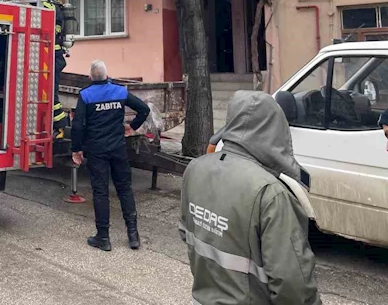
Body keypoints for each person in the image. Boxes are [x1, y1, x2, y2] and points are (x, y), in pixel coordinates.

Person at [180, 91, 321, 305]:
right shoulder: (271, 192)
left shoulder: (195, 168)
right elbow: (292, 285)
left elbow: (186, 231)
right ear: (275, 130)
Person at [71, 60, 150, 251]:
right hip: (118, 148)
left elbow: (78, 125)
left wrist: (76, 149)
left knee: (101, 192)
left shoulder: (86, 95)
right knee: (124, 189)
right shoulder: (120, 91)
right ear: (107, 76)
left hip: (97, 151)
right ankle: (133, 236)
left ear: (90, 78)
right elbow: (144, 109)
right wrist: (132, 126)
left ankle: (103, 237)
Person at [17, 0, 69, 136]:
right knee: (47, 92)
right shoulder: (54, 7)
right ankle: (57, 125)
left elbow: (42, 5)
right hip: (53, 55)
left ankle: (60, 126)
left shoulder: (53, 6)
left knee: (51, 93)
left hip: (54, 56)